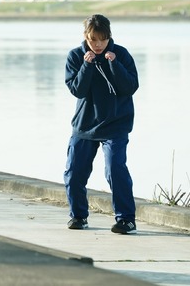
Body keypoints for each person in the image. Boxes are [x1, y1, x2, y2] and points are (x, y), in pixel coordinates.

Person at [64, 14, 139, 234]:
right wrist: (87, 67)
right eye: (93, 39)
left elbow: (130, 87)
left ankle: (126, 220)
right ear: (86, 36)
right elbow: (77, 90)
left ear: (109, 37)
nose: (97, 44)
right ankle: (78, 216)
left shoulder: (121, 54)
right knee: (74, 172)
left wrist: (114, 64)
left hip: (116, 125)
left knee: (115, 169)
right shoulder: (76, 56)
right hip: (85, 125)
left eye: (102, 39)